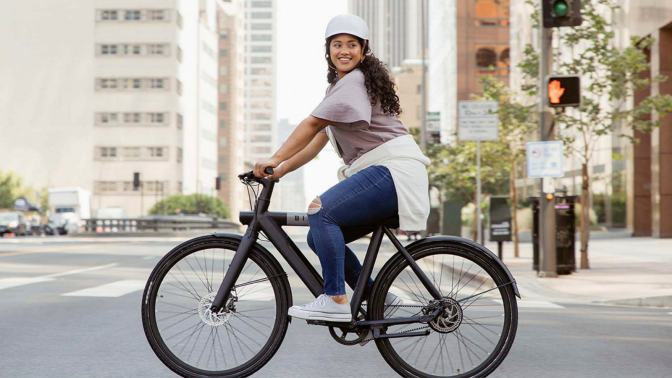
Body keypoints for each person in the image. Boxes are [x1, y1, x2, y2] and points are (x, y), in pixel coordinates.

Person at [253, 14, 431, 323]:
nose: (344, 50)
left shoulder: (354, 81)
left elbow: (313, 124)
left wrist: (273, 157)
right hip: (389, 172)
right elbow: (318, 140)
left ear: (364, 50)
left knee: (321, 211)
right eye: (337, 44)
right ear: (328, 50)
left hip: (393, 171)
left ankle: (335, 298)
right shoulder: (342, 88)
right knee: (317, 236)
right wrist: (280, 169)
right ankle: (378, 296)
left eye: (352, 44)